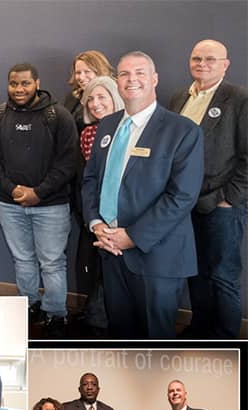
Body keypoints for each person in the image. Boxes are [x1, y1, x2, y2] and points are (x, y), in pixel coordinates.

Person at [82, 51, 205, 339]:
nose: (131, 80)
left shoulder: (183, 131)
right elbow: (90, 180)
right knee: (121, 335)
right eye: (124, 74)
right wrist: (96, 224)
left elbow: (182, 196)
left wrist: (132, 236)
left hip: (158, 257)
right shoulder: (108, 125)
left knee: (155, 339)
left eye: (139, 73)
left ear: (154, 79)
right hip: (110, 252)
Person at [0, 63, 78, 335]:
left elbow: (67, 162)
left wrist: (39, 192)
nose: (19, 89)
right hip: (10, 204)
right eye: (14, 84)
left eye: (25, 83)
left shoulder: (57, 116)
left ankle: (56, 313)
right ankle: (29, 304)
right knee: (22, 259)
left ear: (37, 83)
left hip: (52, 205)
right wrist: (11, 189)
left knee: (52, 262)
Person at [169, 39, 248, 339]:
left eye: (210, 59)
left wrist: (230, 198)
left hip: (221, 205)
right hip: (182, 205)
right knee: (196, 273)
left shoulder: (239, 98)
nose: (202, 64)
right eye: (196, 58)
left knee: (223, 277)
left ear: (225, 64)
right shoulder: (179, 99)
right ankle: (200, 330)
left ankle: (226, 338)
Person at [75, 76, 125, 336]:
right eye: (91, 99)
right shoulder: (89, 133)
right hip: (98, 217)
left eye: (101, 97)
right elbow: (91, 179)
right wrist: (96, 221)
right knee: (98, 271)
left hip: (128, 219)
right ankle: (99, 321)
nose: (95, 104)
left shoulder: (131, 128)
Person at [63, 50, 116, 132]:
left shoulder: (118, 95)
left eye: (87, 72)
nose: (81, 77)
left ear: (100, 71)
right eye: (78, 72)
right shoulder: (72, 97)